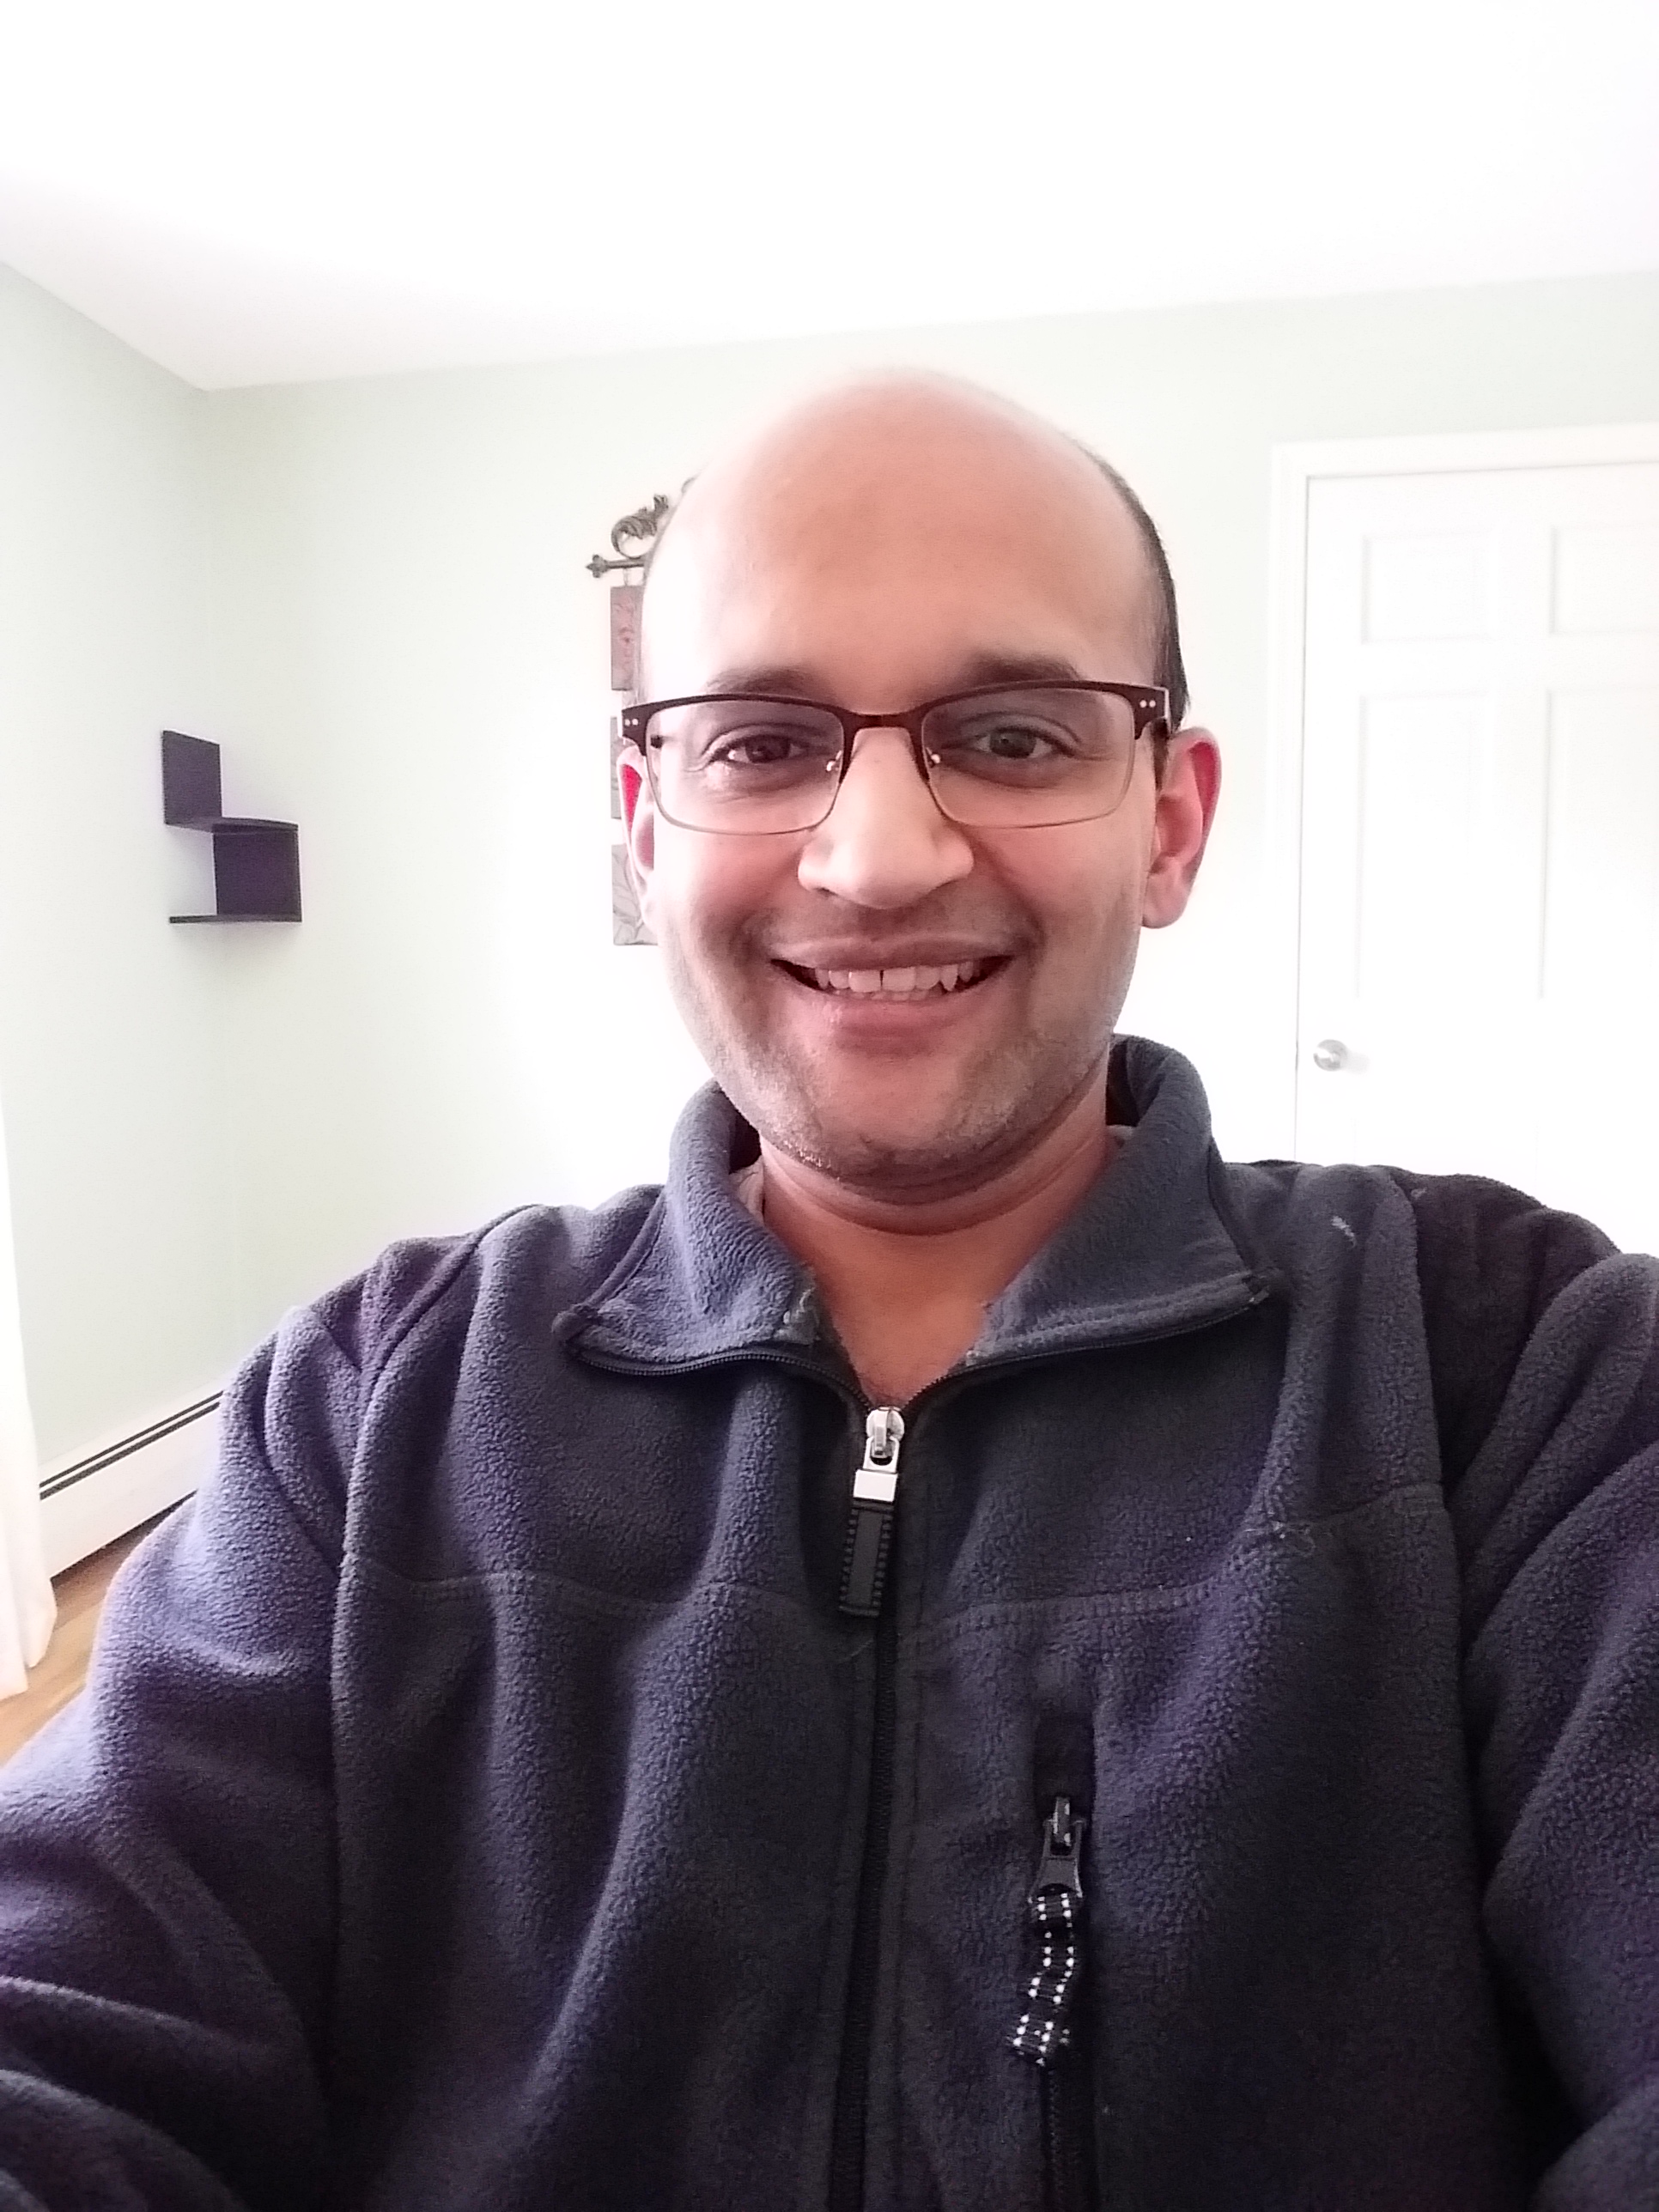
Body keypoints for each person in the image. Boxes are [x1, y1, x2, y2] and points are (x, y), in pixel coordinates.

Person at [0, 375, 1656, 2212]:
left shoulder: (1520, 1374)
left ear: (1171, 824)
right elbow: (62, 2027)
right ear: (646, 823)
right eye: (763, 743)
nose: (877, 858)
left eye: (1013, 736)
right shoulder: (373, 1403)